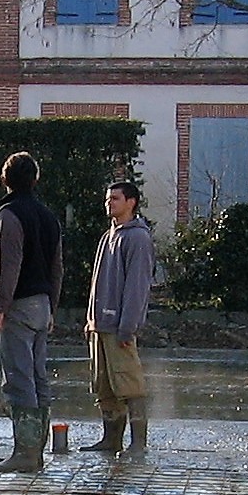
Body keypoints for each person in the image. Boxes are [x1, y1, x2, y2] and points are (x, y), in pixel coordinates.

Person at [0, 151, 62, 474]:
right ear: (35, 179)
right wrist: (52, 307)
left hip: (19, 304)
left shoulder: (9, 215)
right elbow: (57, 268)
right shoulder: (48, 217)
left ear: (5, 180)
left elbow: (9, 266)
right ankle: (37, 450)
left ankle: (25, 453)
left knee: (18, 378)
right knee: (39, 377)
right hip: (43, 304)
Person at [86, 180, 156, 457]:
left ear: (131, 202)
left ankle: (138, 443)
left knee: (129, 383)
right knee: (104, 385)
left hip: (119, 327)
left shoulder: (137, 238)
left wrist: (128, 326)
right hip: (100, 326)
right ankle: (110, 438)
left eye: (115, 198)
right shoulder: (108, 236)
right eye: (108, 198)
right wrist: (91, 319)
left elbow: (137, 287)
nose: (109, 203)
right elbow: (97, 282)